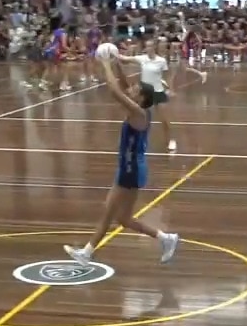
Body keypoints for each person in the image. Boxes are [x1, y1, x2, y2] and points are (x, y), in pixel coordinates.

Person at [63, 55, 179, 266]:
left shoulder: (138, 113)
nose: (131, 89)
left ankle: (87, 252)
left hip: (131, 169)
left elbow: (115, 92)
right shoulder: (139, 108)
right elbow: (124, 87)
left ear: (141, 98)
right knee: (123, 219)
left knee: (108, 212)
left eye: (136, 89)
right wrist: (117, 64)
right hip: (130, 167)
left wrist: (105, 64)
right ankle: (166, 239)